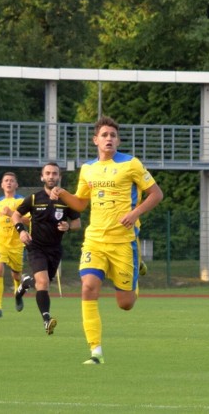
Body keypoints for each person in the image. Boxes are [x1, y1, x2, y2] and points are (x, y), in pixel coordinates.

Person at [51, 116, 164, 365]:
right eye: (104, 135)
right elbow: (80, 203)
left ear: (118, 140)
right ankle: (96, 352)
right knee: (88, 287)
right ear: (95, 140)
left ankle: (137, 268)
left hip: (123, 242)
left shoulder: (131, 164)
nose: (109, 139)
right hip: (95, 240)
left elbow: (156, 194)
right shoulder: (87, 169)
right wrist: (63, 194)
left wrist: (135, 213)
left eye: (113, 135)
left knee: (125, 304)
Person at [11, 162, 81, 335]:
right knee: (42, 283)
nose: (51, 176)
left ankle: (25, 284)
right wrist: (21, 231)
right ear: (42, 177)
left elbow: (77, 223)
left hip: (55, 250)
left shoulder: (66, 199)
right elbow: (16, 215)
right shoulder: (34, 198)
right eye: (48, 173)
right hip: (36, 247)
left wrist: (68, 226)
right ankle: (46, 320)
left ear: (59, 177)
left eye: (54, 173)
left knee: (41, 284)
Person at [0, 172, 30, 320]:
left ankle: (18, 293)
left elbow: (28, 221)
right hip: (0, 241)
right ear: (2, 185)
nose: (8, 183)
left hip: (16, 243)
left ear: (16, 185)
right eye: (6, 181)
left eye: (11, 181)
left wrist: (11, 214)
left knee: (16, 274)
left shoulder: (22, 201)